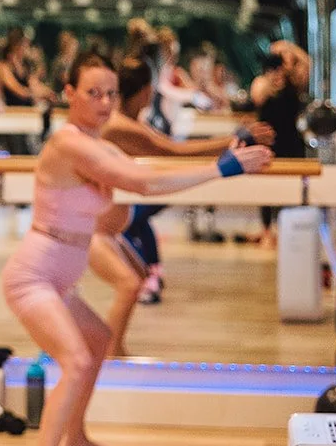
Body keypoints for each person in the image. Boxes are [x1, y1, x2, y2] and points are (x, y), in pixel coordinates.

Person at [1, 51, 272, 446]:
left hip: (58, 280)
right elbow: (142, 185)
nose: (105, 103)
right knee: (78, 360)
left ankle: (75, 440)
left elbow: (141, 179)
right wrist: (223, 168)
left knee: (100, 338)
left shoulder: (97, 142)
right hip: (33, 278)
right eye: (94, 93)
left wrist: (222, 151)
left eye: (111, 94)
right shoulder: (70, 144)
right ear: (69, 94)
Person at [92, 59, 274, 349]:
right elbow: (173, 151)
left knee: (137, 277)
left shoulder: (125, 123)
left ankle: (113, 348)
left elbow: (168, 150)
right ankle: (112, 352)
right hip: (94, 231)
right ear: (145, 91)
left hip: (109, 228)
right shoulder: (119, 126)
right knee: (129, 283)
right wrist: (234, 140)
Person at [251, 45, 309, 246]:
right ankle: (267, 229)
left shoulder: (294, 81)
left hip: (291, 141)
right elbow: (257, 97)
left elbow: (308, 65)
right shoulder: (262, 82)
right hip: (268, 141)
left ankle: (289, 227)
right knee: (265, 188)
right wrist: (271, 78)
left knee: (292, 186)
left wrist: (290, 47)